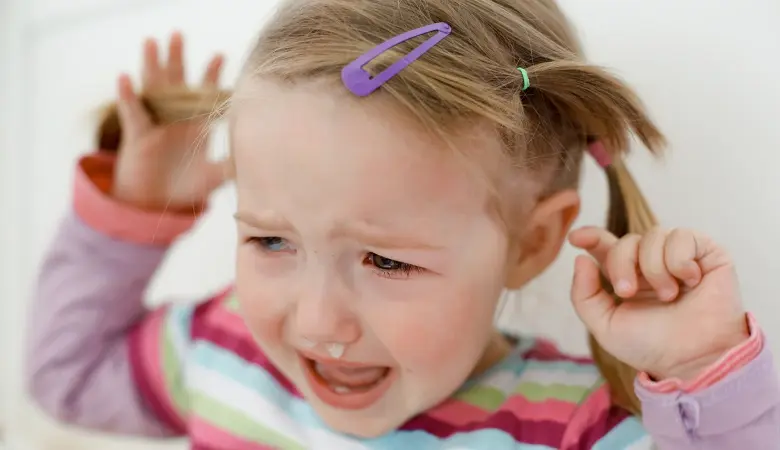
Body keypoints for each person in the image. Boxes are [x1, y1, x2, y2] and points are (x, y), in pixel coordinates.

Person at [25, 1, 780, 449]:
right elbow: (67, 377)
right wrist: (133, 216)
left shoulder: (571, 425)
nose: (317, 324)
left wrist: (701, 366)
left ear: (532, 242)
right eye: (271, 240)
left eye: (386, 261)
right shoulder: (222, 353)